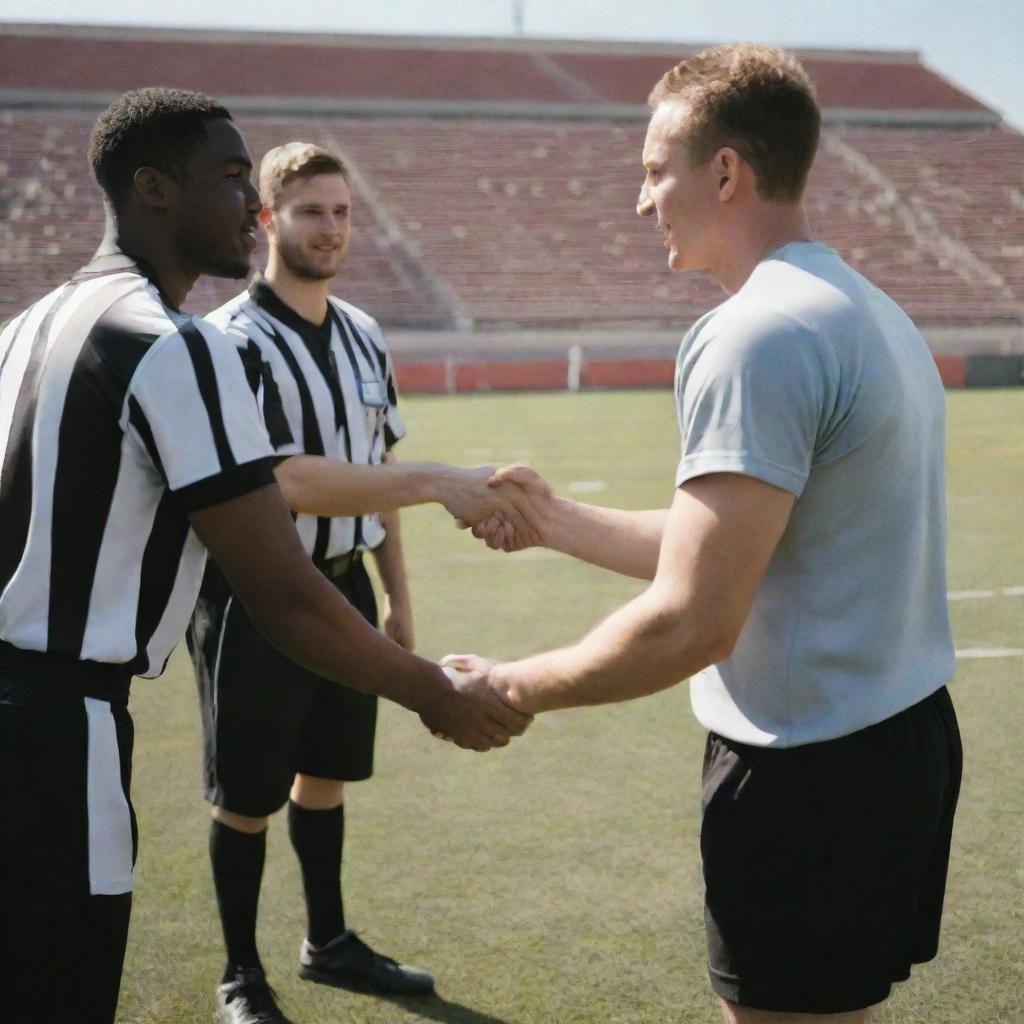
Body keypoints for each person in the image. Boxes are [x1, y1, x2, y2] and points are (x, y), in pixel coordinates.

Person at [453, 44, 962, 1024]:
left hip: (806, 768)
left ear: (724, 170)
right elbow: (738, 547)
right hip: (896, 740)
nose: (643, 201)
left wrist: (508, 688)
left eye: (655, 171)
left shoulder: (753, 332)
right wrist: (554, 520)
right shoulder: (866, 309)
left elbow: (693, 616)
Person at [0, 88, 528, 1024]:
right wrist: (433, 693)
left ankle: (324, 937)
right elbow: (281, 593)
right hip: (54, 725)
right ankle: (244, 972)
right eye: (235, 177)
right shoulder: (176, 345)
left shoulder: (25, 327)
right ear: (154, 188)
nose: (252, 202)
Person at [189, 141, 486, 1023]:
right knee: (245, 795)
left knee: (325, 773)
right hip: (260, 598)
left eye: (343, 212)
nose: (330, 228)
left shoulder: (363, 332)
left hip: (349, 583)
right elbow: (287, 476)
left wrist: (398, 596)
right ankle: (241, 974)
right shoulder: (228, 342)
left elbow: (373, 463)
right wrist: (437, 482)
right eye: (312, 210)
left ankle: (328, 942)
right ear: (269, 218)